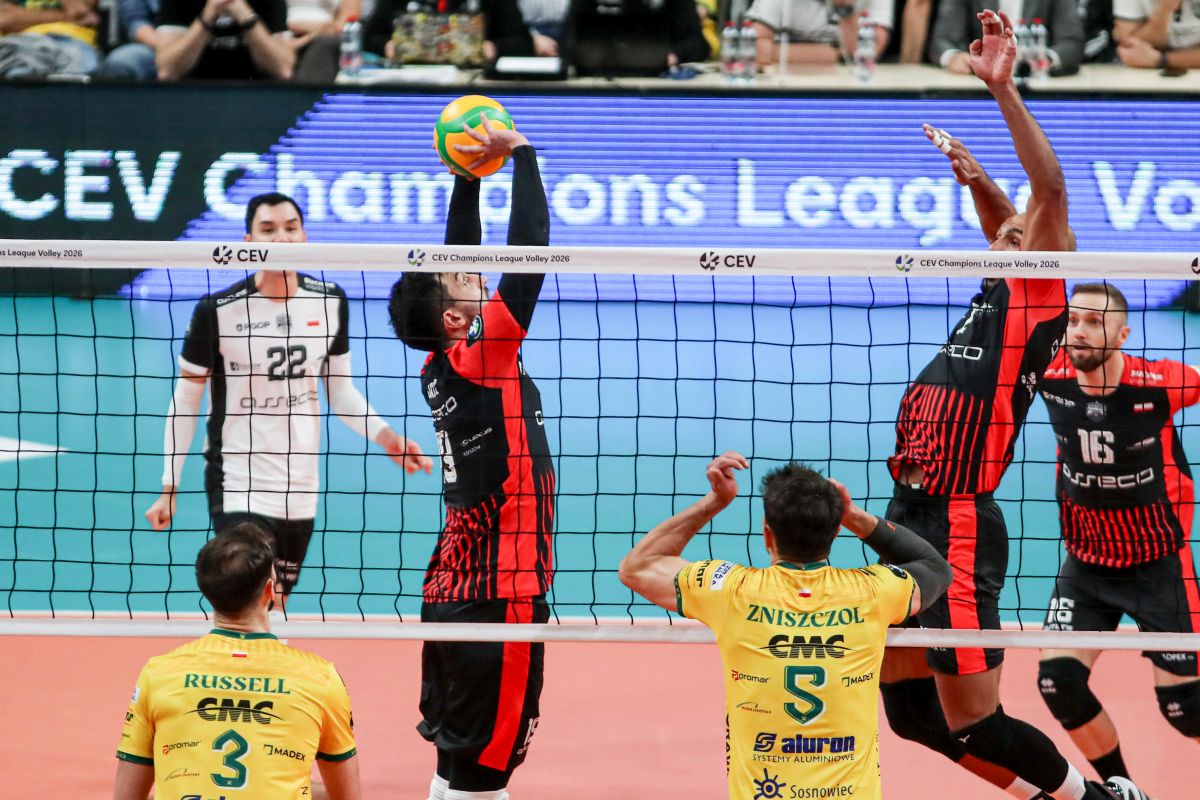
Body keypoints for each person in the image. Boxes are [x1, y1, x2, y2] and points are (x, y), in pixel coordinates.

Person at [878, 10, 1148, 800]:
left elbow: (1047, 192)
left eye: (1020, 235)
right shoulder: (997, 288)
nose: (1003, 234)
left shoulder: (1037, 296)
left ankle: (1095, 798)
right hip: (907, 512)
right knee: (911, 716)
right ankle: (1045, 795)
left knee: (975, 721)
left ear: (1043, 253)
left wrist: (1002, 91)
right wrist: (978, 185)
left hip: (957, 522)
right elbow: (1009, 222)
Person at [145, 191, 431, 606]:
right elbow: (185, 402)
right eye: (268, 230)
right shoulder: (217, 311)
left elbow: (341, 390)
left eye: (290, 228)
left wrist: (386, 437)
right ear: (248, 243)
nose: (281, 238)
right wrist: (169, 485)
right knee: (249, 593)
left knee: (275, 601)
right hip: (237, 478)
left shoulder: (330, 301)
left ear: (304, 237)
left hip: (300, 484)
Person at [618, 452, 953, 800]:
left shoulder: (732, 591)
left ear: (767, 534)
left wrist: (715, 501)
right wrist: (854, 515)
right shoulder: (872, 592)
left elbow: (637, 567)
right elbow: (936, 568)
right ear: (836, 530)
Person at [387, 123, 552, 800]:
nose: (474, 272)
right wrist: (523, 157)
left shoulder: (441, 362)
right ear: (455, 320)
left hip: (455, 586)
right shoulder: (483, 356)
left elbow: (460, 251)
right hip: (499, 593)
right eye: (462, 279)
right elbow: (531, 255)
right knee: (483, 777)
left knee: (457, 765)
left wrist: (467, 174)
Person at [1036, 282, 1200, 777]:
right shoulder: (1047, 373)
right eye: (1073, 321)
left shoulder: (1161, 383)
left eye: (1094, 322)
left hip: (1159, 565)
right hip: (1086, 564)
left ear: (1123, 335)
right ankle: (1121, 788)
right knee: (1057, 682)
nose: (1079, 332)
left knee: (1185, 710)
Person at [112, 522, 360, 800]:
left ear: (207, 592)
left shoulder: (158, 674)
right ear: (270, 591)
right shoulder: (321, 678)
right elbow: (346, 797)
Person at [929, 0, 1083, 74]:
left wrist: (1045, 59)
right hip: (978, 88)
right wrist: (953, 58)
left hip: (1038, 90)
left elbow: (1072, 41)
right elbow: (942, 39)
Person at [155, 0, 295, 80]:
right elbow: (167, 71)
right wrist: (207, 18)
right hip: (192, 93)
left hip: (256, 93)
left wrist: (245, 16)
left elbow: (283, 69)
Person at [0, 0, 100, 78]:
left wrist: (26, 15)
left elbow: (79, 10)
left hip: (72, 42)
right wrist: (66, 17)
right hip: (23, 43)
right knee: (17, 72)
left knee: (80, 66)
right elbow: (4, 19)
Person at [1113, 0, 1200, 72]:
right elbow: (1130, 49)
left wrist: (1162, 60)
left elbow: (1142, 56)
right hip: (1144, 74)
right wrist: (1164, 10)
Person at [97, 0, 160, 80]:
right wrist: (166, 48)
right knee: (120, 63)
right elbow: (135, 22)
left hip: (174, 42)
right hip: (154, 44)